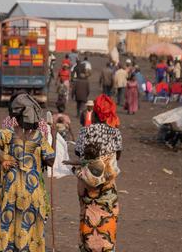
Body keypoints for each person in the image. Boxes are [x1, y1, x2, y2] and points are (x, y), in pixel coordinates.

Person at [0, 93, 55, 252]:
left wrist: (2, 160)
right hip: (33, 189)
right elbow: (50, 161)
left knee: (8, 222)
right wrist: (54, 138)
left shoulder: (8, 133)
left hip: (11, 187)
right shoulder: (38, 137)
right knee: (31, 224)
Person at [74, 95, 122, 251]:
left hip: (87, 185)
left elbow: (78, 153)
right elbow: (118, 156)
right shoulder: (115, 133)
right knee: (108, 218)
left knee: (87, 217)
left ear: (94, 113)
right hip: (107, 185)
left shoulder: (84, 132)